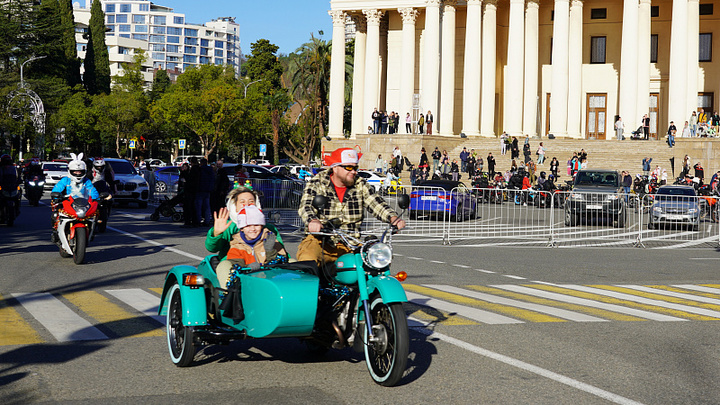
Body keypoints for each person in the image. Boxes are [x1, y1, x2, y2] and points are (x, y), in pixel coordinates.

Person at [296, 148, 405, 266]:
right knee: (308, 258)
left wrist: (393, 218)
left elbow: (376, 203)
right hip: (320, 241)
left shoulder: (360, 184)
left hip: (351, 244)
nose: (354, 172)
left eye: (355, 168)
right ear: (335, 168)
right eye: (348, 167)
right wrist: (313, 221)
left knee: (377, 262)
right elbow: (306, 206)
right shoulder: (317, 182)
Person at [207, 186, 284, 288]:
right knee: (223, 266)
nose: (247, 204)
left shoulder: (268, 229)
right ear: (234, 206)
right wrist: (216, 233)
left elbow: (280, 251)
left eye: (251, 201)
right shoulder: (228, 226)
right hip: (236, 264)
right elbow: (211, 248)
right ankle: (228, 293)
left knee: (292, 262)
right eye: (242, 202)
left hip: (266, 263)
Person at [51, 153, 100, 241]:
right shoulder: (65, 180)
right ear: (70, 171)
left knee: (95, 216)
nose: (77, 173)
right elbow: (57, 189)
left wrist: (96, 198)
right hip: (67, 203)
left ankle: (91, 232)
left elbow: (92, 190)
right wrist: (56, 195)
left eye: (80, 171)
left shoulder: (87, 181)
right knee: (55, 215)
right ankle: (55, 232)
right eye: (75, 171)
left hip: (83, 204)